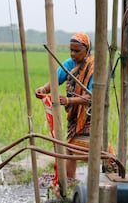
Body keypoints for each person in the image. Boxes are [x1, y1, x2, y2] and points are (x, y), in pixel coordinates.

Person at [35, 32, 94, 179]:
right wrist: (43, 89)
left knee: (83, 147)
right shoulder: (68, 64)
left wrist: (68, 101)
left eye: (77, 51)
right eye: (71, 50)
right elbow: (55, 81)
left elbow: (92, 96)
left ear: (87, 51)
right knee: (71, 148)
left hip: (90, 114)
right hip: (74, 115)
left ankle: (103, 169)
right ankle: (70, 178)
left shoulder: (93, 68)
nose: (73, 54)